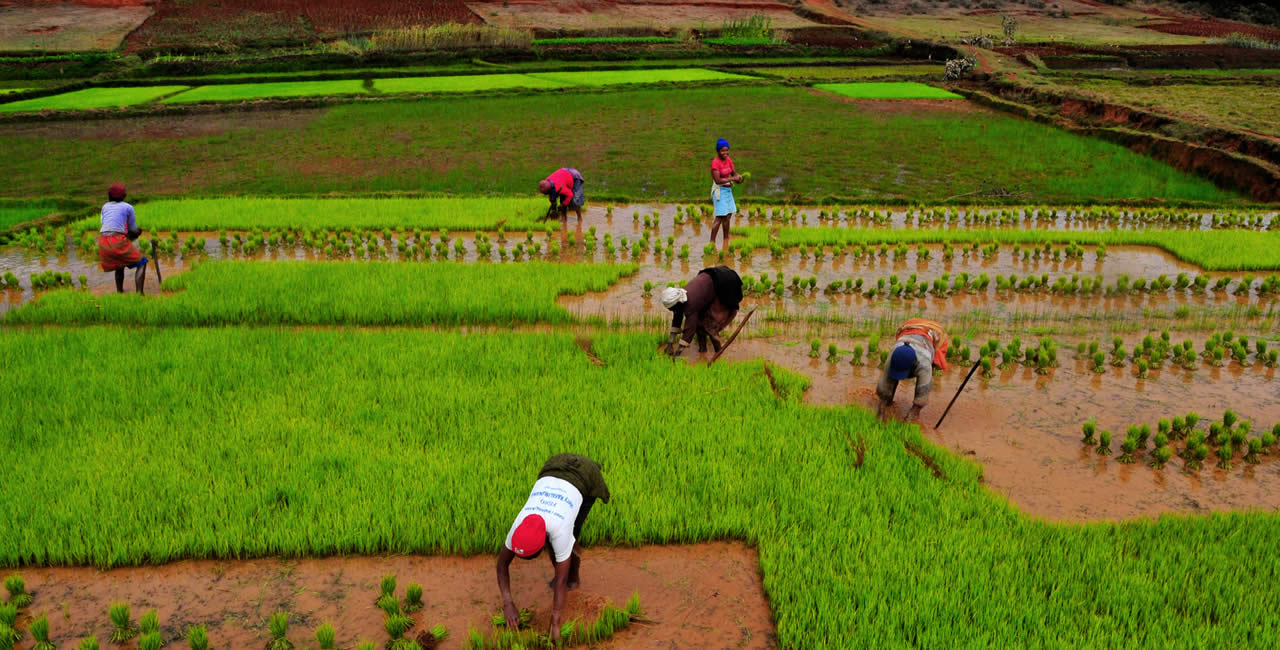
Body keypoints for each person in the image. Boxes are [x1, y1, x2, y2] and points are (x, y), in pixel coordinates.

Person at [497, 453, 611, 644]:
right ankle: (567, 558)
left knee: (570, 537)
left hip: (585, 475)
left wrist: (555, 623)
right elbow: (502, 565)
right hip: (554, 466)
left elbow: (560, 581)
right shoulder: (519, 525)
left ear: (543, 543)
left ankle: (575, 580)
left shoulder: (559, 529)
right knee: (560, 547)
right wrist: (508, 603)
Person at [876, 318, 950, 422]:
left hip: (933, 332)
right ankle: (888, 400)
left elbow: (924, 390)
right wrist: (881, 410)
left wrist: (912, 414)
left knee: (927, 377)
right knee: (887, 390)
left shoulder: (924, 363)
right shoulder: (893, 355)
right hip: (910, 328)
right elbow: (885, 380)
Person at [662, 266, 742, 356]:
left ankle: (718, 352)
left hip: (723, 282)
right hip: (708, 279)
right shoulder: (680, 298)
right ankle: (702, 350)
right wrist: (670, 344)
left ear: (676, 304)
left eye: (671, 308)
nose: (670, 310)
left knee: (711, 326)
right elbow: (677, 317)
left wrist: (678, 352)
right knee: (699, 323)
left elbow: (690, 329)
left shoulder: (690, 304)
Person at [97, 184, 148, 295]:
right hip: (117, 240)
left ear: (109, 196)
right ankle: (140, 295)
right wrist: (138, 232)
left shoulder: (105, 206)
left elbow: (104, 224)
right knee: (142, 263)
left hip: (102, 241)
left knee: (119, 265)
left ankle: (120, 292)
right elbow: (133, 229)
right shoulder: (128, 207)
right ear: (124, 196)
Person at [709, 138, 742, 251]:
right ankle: (712, 243)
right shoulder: (715, 163)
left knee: (728, 215)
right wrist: (732, 179)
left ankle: (726, 239)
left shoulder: (728, 160)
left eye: (727, 150)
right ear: (718, 151)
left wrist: (739, 178)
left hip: (728, 191)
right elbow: (718, 180)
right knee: (720, 217)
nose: (725, 152)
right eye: (723, 150)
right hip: (719, 191)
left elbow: (734, 174)